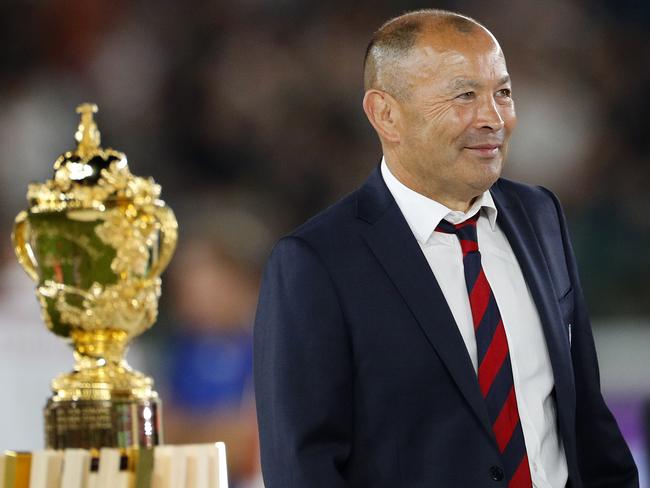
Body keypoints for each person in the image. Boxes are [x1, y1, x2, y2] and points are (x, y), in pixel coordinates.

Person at [253, 9, 638, 488]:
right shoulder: (316, 263)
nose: (493, 118)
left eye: (503, 92)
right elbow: (302, 468)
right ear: (385, 114)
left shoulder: (542, 217)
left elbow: (588, 421)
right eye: (464, 96)